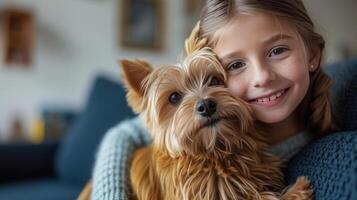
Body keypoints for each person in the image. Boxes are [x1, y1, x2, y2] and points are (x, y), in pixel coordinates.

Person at [90, 0, 356, 199]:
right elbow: (125, 134)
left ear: (312, 54)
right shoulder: (193, 135)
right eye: (236, 64)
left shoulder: (327, 129)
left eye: (277, 50)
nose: (261, 77)